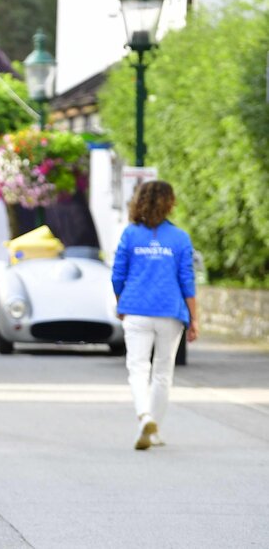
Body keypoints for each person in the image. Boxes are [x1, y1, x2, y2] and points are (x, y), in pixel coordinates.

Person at [111, 180, 197, 451]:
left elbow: (117, 275)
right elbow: (187, 282)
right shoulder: (180, 238)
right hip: (170, 312)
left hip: (135, 309)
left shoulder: (130, 235)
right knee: (162, 372)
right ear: (169, 203)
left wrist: (121, 303)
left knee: (137, 368)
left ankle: (144, 417)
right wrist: (193, 320)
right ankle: (154, 428)